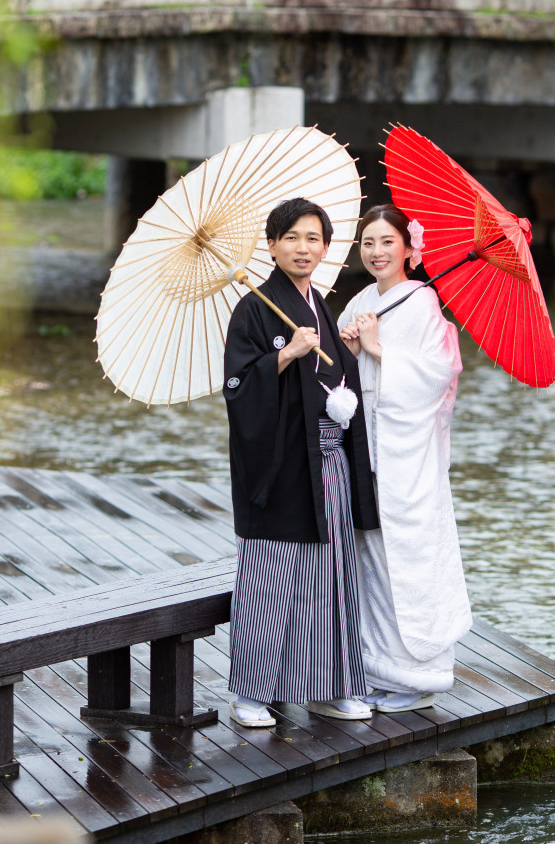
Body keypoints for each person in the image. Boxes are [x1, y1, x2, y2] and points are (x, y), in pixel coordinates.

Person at [223, 197, 379, 728]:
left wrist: (349, 359)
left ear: (326, 248)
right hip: (280, 466)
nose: (303, 247)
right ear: (271, 245)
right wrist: (284, 355)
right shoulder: (254, 308)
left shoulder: (320, 309)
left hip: (327, 465)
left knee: (330, 577)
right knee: (273, 579)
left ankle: (330, 686)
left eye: (313, 238)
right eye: (291, 237)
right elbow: (238, 388)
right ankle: (251, 693)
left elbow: (335, 385)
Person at [338, 204, 472, 712]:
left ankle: (419, 676)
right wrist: (347, 349)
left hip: (407, 453)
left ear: (410, 249)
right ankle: (381, 667)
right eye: (368, 242)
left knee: (408, 557)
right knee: (371, 557)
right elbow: (335, 376)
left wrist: (376, 350)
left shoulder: (423, 306)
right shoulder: (359, 301)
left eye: (387, 242)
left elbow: (439, 374)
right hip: (364, 446)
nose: (376, 252)